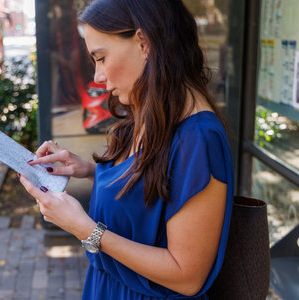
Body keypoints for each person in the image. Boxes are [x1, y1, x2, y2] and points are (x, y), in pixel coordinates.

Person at [18, 0, 234, 299]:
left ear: (144, 42)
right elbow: (161, 188)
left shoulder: (198, 137)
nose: (98, 76)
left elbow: (187, 277)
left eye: (101, 57)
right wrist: (92, 170)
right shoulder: (157, 111)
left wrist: (86, 229)